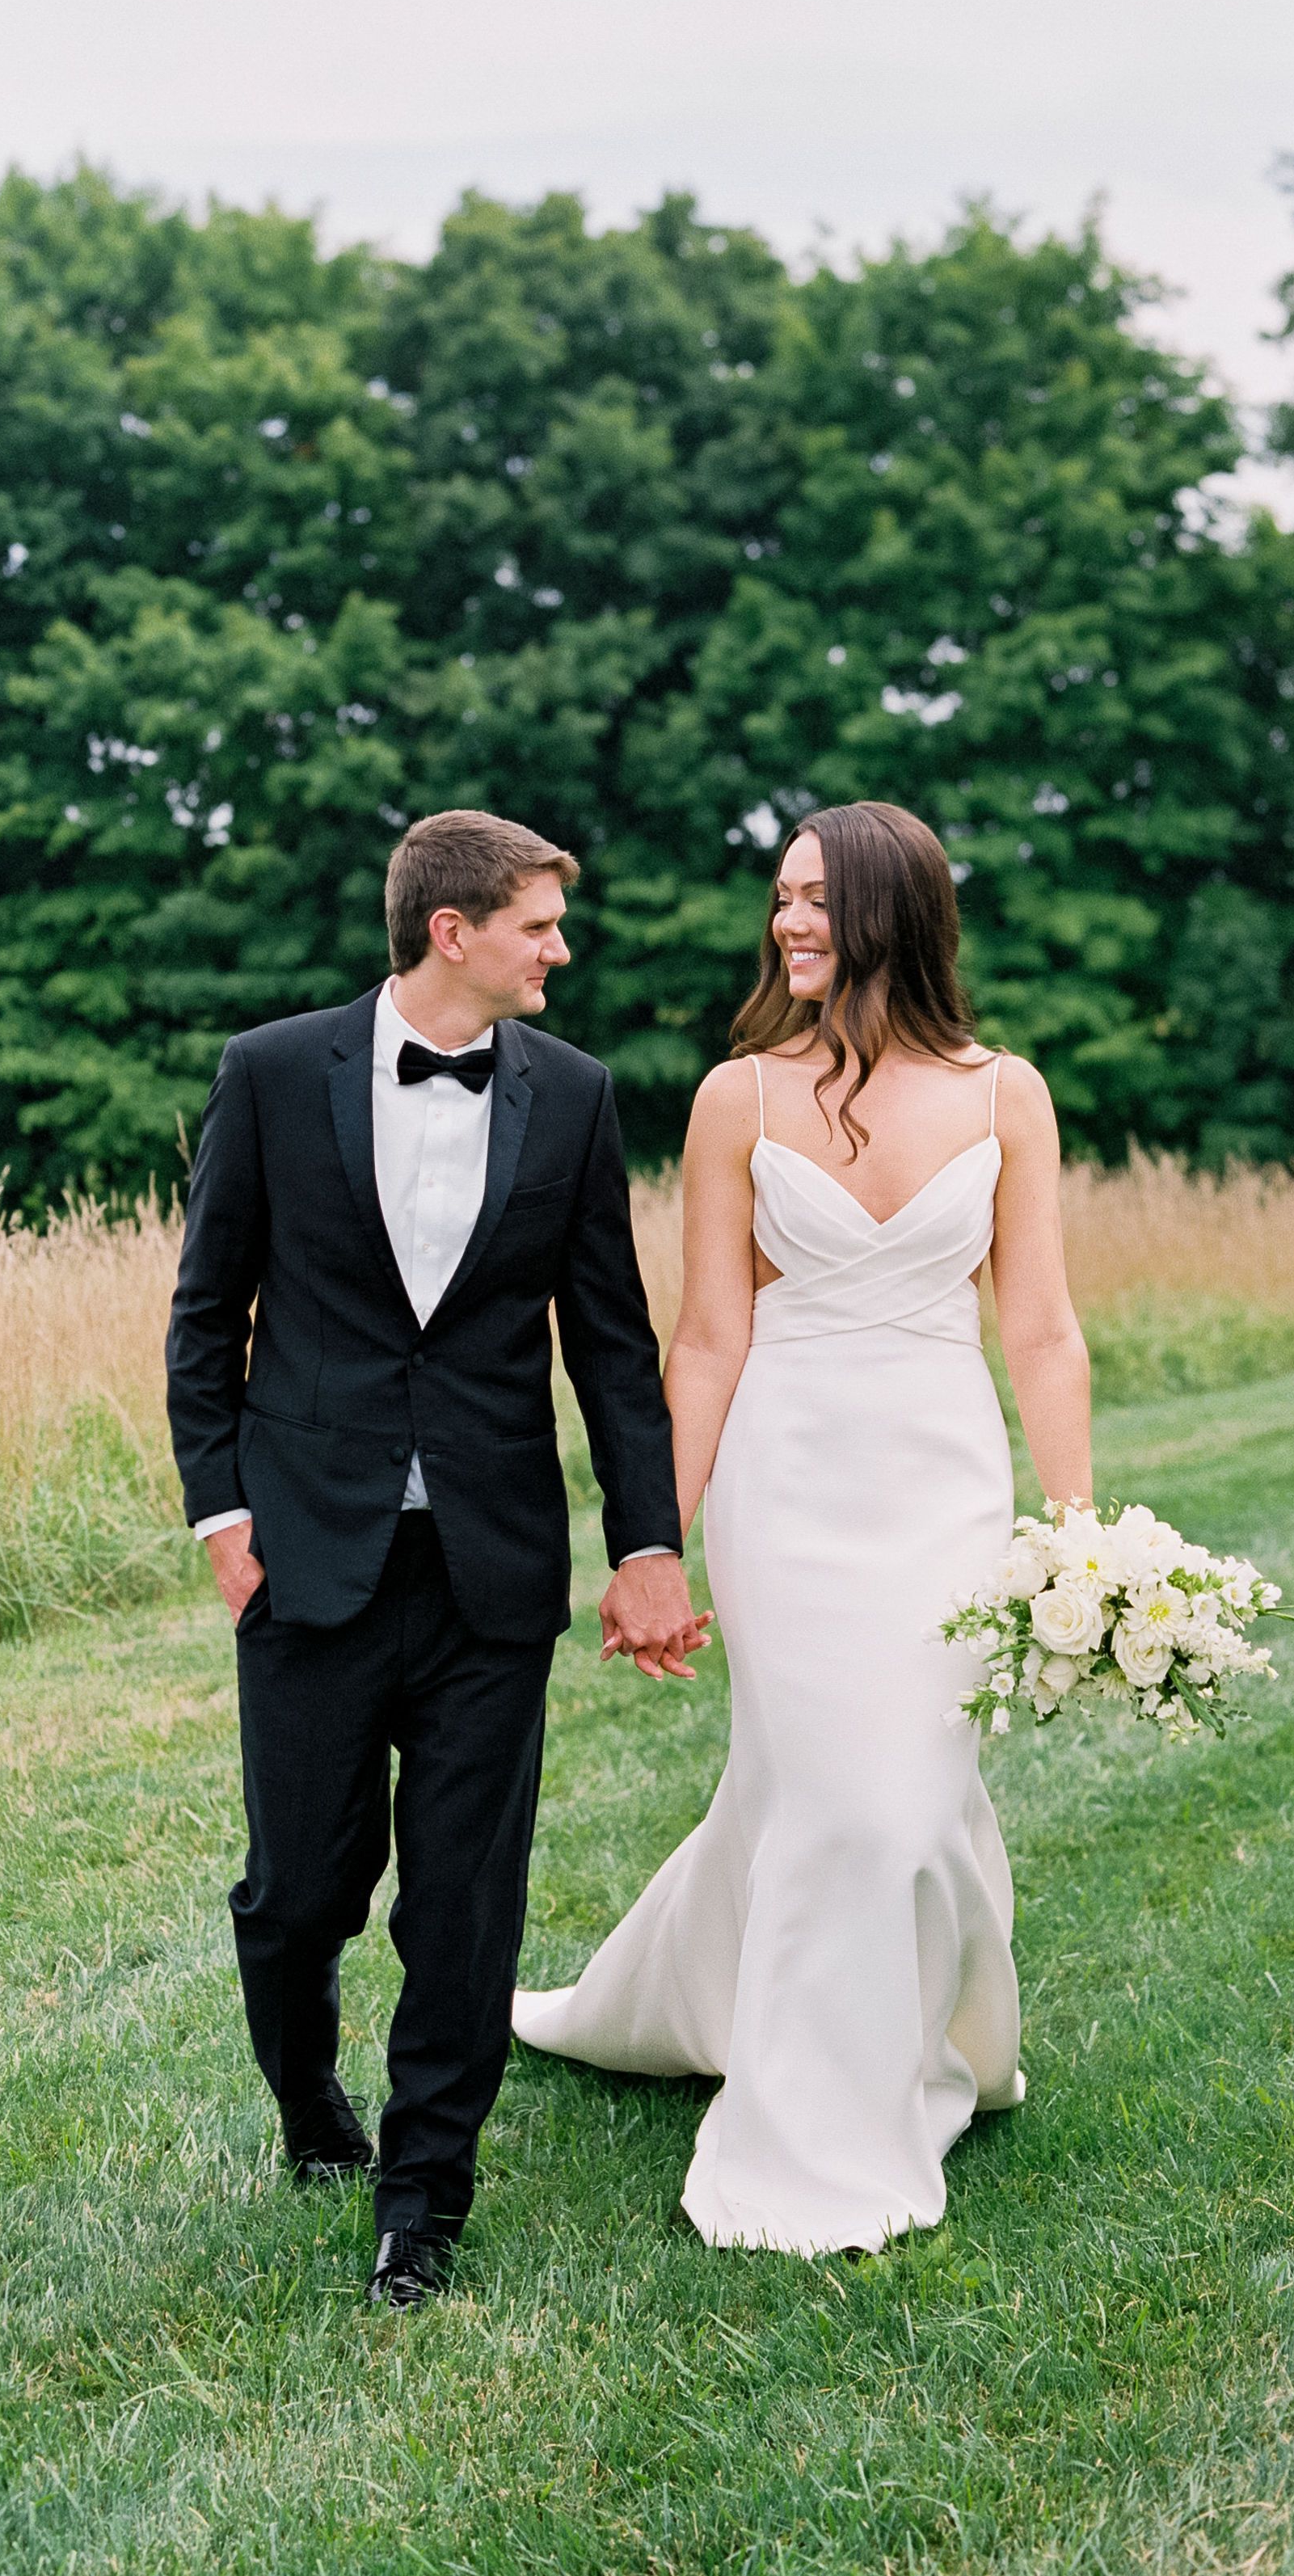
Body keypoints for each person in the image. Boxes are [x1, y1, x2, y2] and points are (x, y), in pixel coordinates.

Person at [513, 800, 1094, 2254]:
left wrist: (1080, 1532)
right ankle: (813, 2119)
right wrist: (654, 1542)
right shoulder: (739, 1099)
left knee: (908, 1796)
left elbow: (1039, 1327)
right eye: (780, 897)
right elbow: (708, 1339)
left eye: (816, 899)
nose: (787, 922)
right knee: (838, 1794)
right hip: (788, 1481)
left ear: (894, 911)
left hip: (943, 1479)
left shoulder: (1006, 1094)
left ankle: (904, 2039)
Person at [165, 810, 704, 2311]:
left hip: (491, 1569)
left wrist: (646, 1541)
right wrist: (222, 1520)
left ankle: (423, 2202)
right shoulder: (274, 1072)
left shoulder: (573, 1095)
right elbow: (207, 1313)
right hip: (307, 1557)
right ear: (451, 931)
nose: (560, 950)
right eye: (539, 924)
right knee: (297, 1893)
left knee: (462, 1905)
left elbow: (611, 1345)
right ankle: (307, 2102)